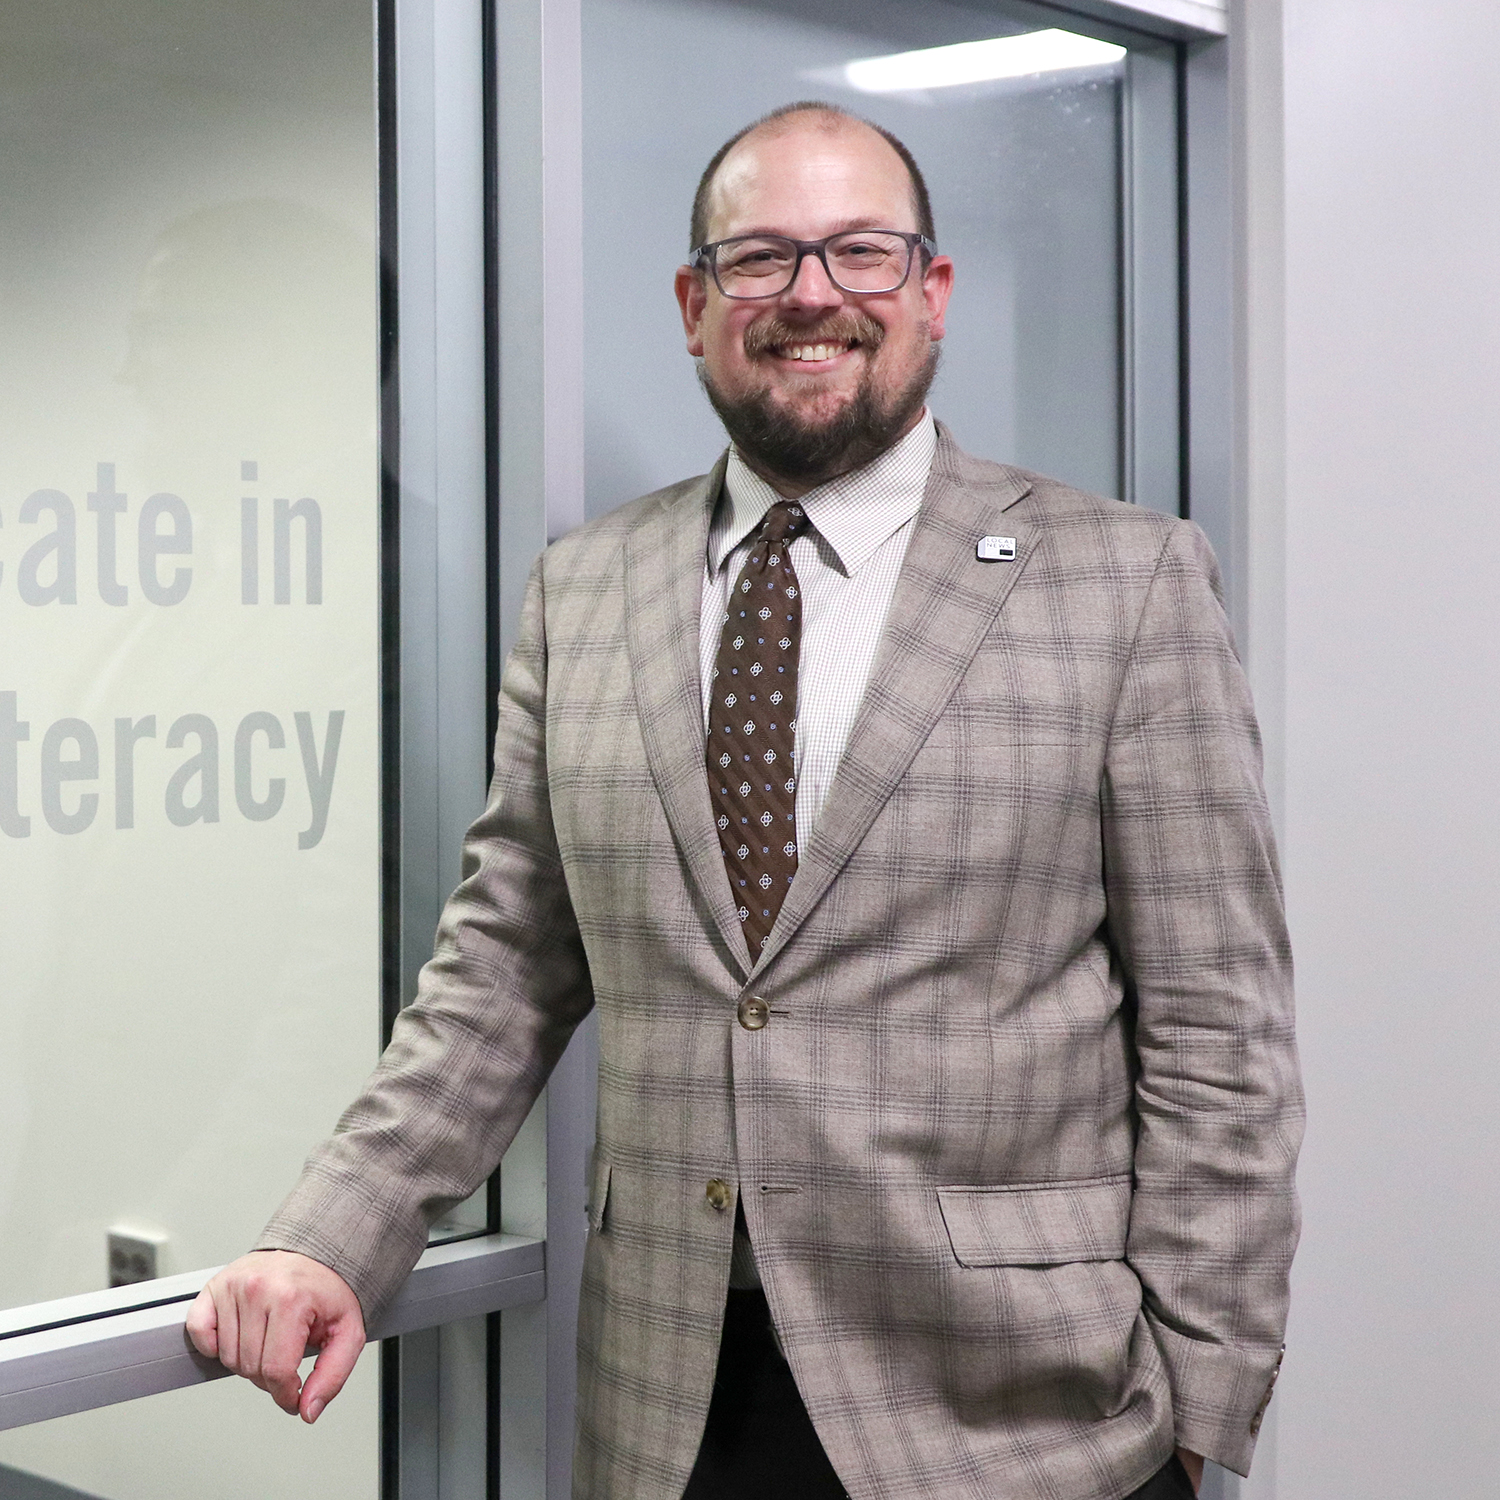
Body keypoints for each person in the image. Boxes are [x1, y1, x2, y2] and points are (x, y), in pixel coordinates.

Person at [188, 102, 1302, 1500]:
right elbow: (502, 971)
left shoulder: (1124, 581)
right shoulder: (584, 589)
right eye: (762, 256)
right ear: (694, 305)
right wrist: (328, 1237)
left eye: (862, 252)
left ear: (934, 292)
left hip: (1027, 1421)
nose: (812, 294)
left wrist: (1199, 1408)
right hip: (673, 1409)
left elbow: (1219, 1034)